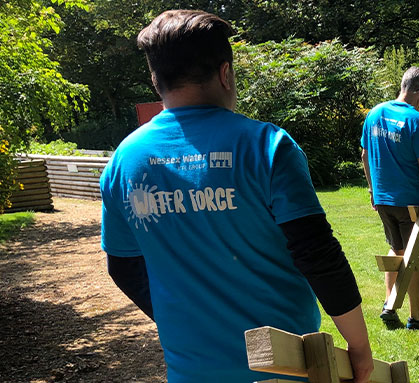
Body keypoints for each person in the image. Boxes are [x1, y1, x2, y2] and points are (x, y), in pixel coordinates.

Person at [100, 10, 373, 383]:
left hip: (191, 371)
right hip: (284, 368)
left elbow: (124, 266)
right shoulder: (267, 146)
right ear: (225, 73)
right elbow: (317, 253)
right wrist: (358, 345)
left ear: (155, 80)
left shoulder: (123, 162)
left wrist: (180, 320)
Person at [361, 66, 419, 330]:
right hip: (411, 202)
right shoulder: (416, 121)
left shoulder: (374, 113)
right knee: (415, 257)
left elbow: (364, 155)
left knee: (397, 250)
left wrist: (373, 190)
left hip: (385, 199)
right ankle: (416, 317)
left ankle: (389, 305)